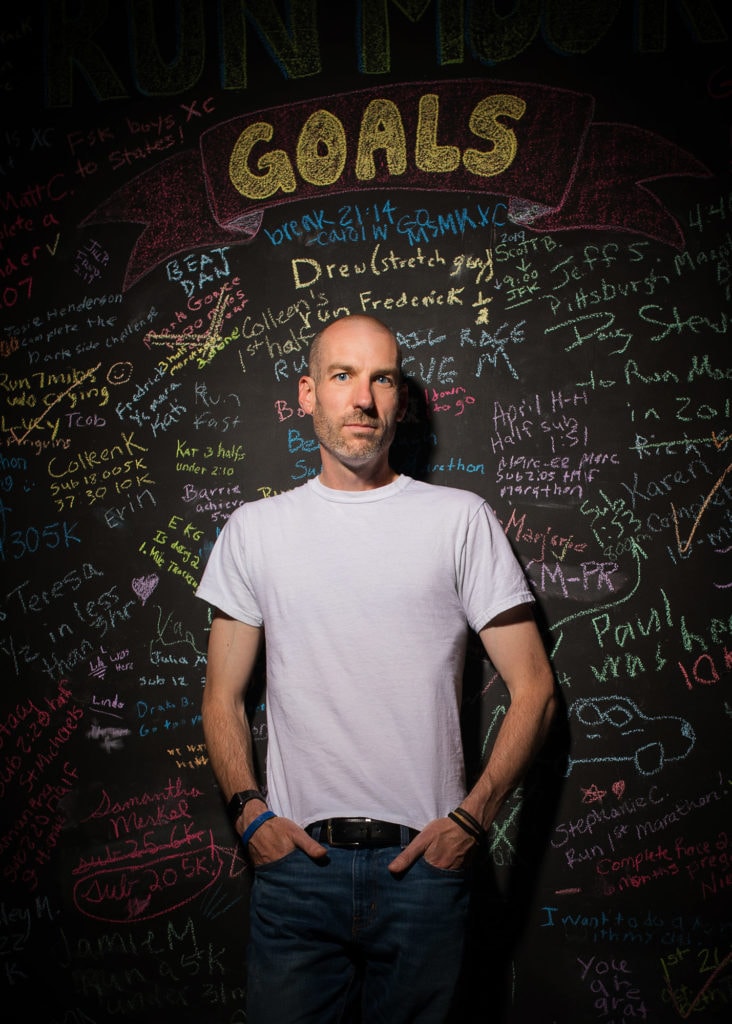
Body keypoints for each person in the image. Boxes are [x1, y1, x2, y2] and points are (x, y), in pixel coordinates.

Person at [196, 313, 556, 1024]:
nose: (363, 398)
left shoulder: (459, 520)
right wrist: (249, 814)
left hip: (425, 872)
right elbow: (222, 698)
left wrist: (471, 821)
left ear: (400, 398)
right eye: (342, 376)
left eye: (381, 379)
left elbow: (536, 690)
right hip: (296, 872)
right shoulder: (255, 530)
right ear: (308, 393)